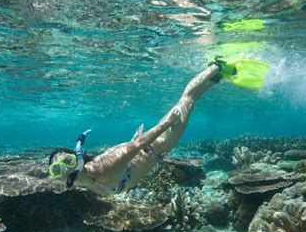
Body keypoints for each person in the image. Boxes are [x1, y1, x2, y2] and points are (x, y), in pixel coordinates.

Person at [48, 63, 222, 195]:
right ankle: (215, 79)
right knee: (189, 103)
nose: (66, 171)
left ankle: (216, 66)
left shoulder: (101, 169)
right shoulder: (83, 180)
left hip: (156, 147)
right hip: (148, 150)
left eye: (67, 162)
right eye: (57, 170)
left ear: (77, 160)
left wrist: (167, 124)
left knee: (186, 101)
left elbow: (137, 145)